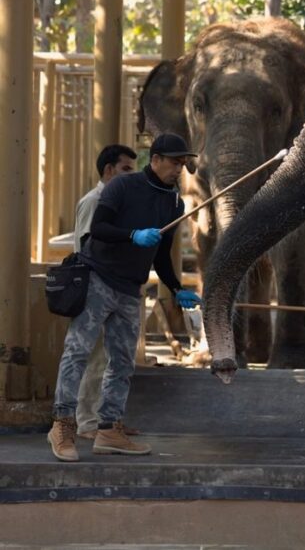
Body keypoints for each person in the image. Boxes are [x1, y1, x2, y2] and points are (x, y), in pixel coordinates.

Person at [47, 133, 203, 462]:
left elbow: (160, 256)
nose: (180, 168)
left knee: (121, 364)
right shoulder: (122, 186)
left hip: (131, 289)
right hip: (99, 278)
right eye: (174, 162)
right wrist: (132, 235)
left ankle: (109, 429)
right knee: (77, 352)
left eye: (183, 163)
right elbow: (99, 228)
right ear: (155, 159)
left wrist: (177, 288)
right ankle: (62, 425)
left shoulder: (174, 202)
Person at [73, 144, 138, 441]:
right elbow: (87, 246)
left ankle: (108, 422)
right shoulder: (94, 201)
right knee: (94, 356)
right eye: (126, 169)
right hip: (95, 287)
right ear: (109, 170)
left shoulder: (117, 203)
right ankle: (87, 422)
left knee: (113, 358)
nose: (130, 176)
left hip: (115, 287)